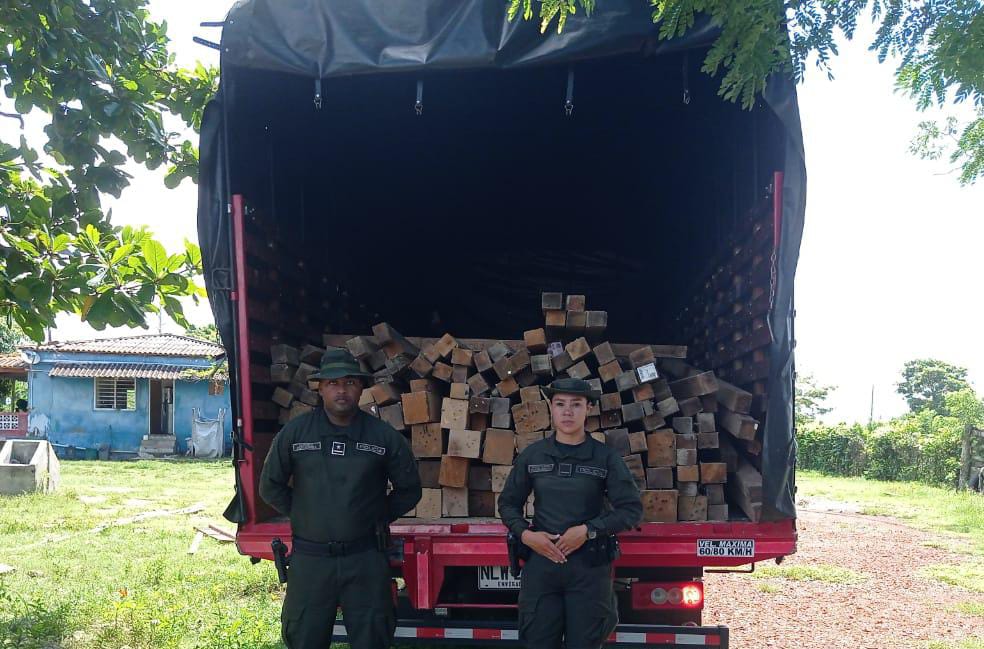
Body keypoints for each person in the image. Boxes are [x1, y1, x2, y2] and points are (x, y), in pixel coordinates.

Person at [259, 348, 421, 649]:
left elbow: (410, 489)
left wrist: (376, 515)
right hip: (311, 561)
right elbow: (270, 485)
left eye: (349, 382)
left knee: (373, 636)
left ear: (361, 387)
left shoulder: (382, 437)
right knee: (304, 637)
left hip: (365, 559)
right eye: (333, 383)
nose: (341, 390)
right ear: (320, 388)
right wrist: (307, 513)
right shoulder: (296, 434)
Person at [498, 377, 643, 649]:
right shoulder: (534, 455)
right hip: (541, 566)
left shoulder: (606, 458)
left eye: (576, 405)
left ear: (588, 409)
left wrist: (588, 531)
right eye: (560, 404)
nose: (567, 411)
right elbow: (507, 504)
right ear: (551, 408)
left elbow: (631, 510)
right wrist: (527, 536)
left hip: (588, 568)